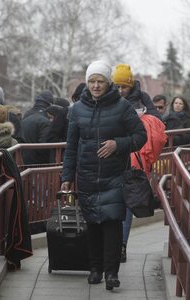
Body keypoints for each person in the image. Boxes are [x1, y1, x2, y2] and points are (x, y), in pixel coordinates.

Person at [61, 60, 147, 290]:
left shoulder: (122, 107)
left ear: (109, 83)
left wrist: (118, 144)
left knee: (112, 223)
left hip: (115, 174)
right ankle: (95, 268)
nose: (96, 86)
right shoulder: (77, 109)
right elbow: (71, 146)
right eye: (92, 81)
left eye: (100, 81)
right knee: (93, 224)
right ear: (86, 83)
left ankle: (111, 273)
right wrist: (67, 177)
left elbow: (140, 136)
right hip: (87, 175)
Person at [121, 104, 167, 263]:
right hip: (139, 168)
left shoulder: (120, 118)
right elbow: (159, 141)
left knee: (116, 206)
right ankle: (122, 246)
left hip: (120, 165)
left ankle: (113, 247)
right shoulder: (152, 122)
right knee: (127, 208)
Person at [20, 91, 53, 165]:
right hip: (39, 163)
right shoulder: (46, 119)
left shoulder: (27, 114)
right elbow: (44, 145)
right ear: (49, 104)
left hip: (23, 160)